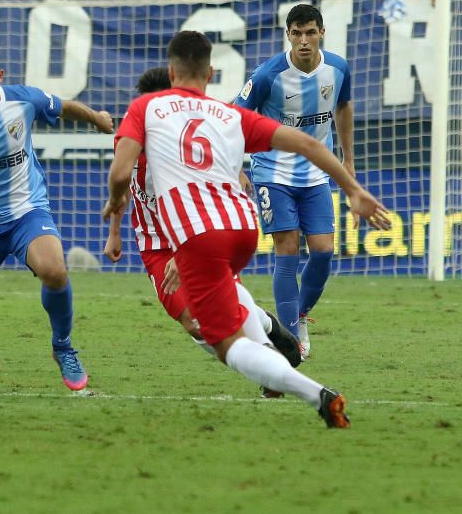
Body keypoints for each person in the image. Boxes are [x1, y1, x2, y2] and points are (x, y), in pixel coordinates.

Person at [104, 30, 390, 428]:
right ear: (211, 73)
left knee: (225, 343)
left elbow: (119, 172)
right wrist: (354, 191)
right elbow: (308, 144)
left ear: (172, 72)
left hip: (195, 235)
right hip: (242, 228)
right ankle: (270, 332)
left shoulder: (146, 109)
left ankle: (313, 392)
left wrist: (117, 199)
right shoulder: (228, 114)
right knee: (223, 299)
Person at [0, 34, 114, 396]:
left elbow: (63, 106)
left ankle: (63, 347)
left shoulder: (23, 100)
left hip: (26, 211)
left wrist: (96, 118)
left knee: (55, 270)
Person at [103, 67, 302, 391]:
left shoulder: (191, 139)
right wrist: (115, 231)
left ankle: (269, 366)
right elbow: (121, 185)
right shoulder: (130, 135)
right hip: (156, 244)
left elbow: (221, 167)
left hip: (198, 234)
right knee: (195, 325)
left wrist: (235, 175)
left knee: (220, 312)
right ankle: (265, 326)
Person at [234, 5, 353, 358]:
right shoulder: (268, 74)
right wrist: (234, 167)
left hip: (316, 172)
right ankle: (287, 342)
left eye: (310, 32)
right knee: (287, 250)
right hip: (272, 171)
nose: (304, 40)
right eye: (297, 33)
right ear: (288, 35)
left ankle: (298, 315)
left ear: (322, 32)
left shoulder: (338, 68)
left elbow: (343, 108)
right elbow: (233, 117)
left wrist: (349, 161)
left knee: (323, 252)